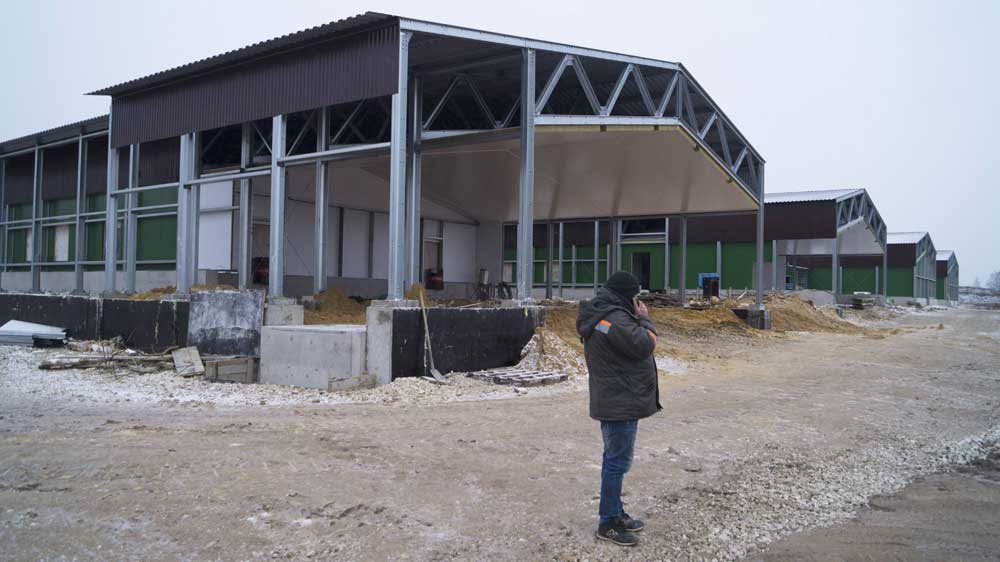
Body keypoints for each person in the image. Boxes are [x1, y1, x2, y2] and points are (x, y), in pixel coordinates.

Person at [576, 271, 661, 546]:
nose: (638, 302)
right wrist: (645, 318)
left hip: (616, 398)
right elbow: (645, 344)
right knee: (617, 462)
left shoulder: (605, 315)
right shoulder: (615, 319)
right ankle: (608, 522)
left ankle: (615, 511)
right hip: (619, 401)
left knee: (614, 459)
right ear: (628, 296)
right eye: (636, 296)